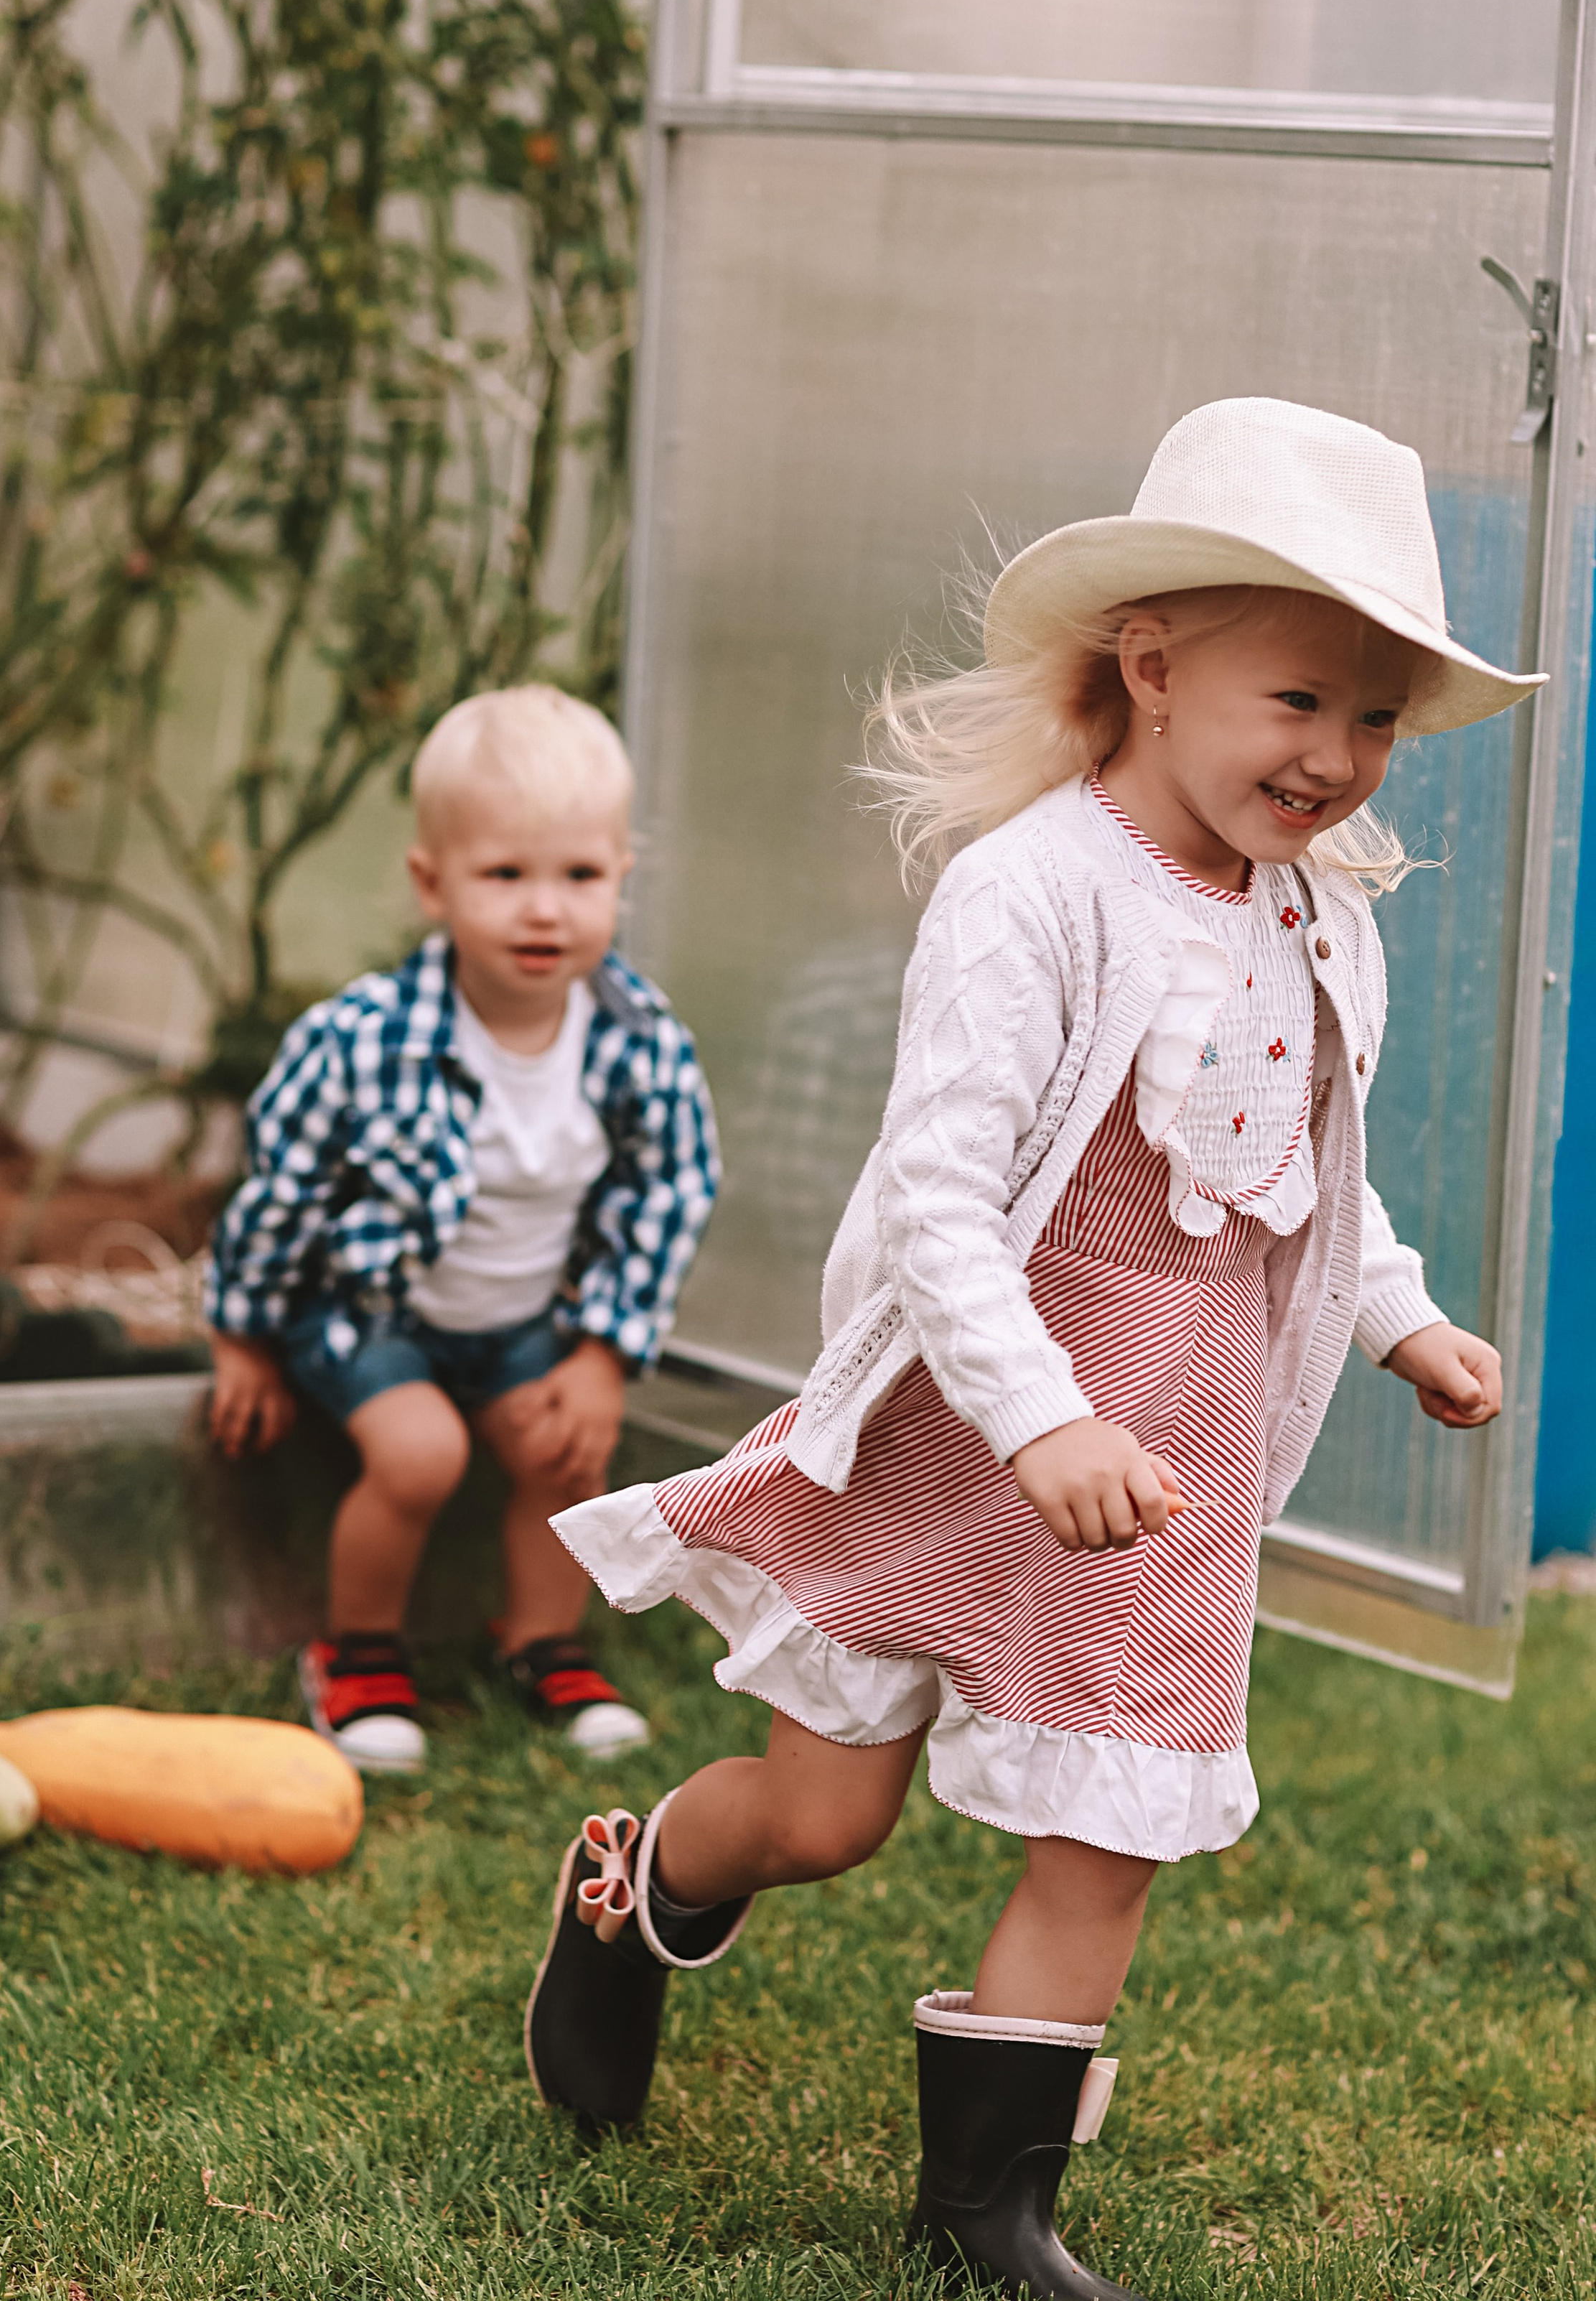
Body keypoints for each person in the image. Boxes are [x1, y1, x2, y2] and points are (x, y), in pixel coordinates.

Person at [522, 401, 1536, 2300]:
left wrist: (1395, 1313)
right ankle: (635, 1883)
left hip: (1168, 1458)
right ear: (1150, 667)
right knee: (825, 1810)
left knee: (1105, 1829)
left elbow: (1293, 1163)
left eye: (1376, 720)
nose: (1336, 758)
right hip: (965, 1419)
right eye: (1296, 700)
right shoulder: (1035, 892)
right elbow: (936, 1201)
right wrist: (1038, 1416)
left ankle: (987, 2210)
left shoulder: (1320, 918)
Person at [202, 685, 720, 1778]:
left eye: (579, 876)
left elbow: (669, 1189)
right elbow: (281, 1191)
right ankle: (357, 1654)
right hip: (372, 1311)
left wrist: (602, 1352)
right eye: (505, 875)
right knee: (422, 1452)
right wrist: (243, 1336)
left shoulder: (637, 1041)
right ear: (432, 884)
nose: (545, 911)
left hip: (521, 1321)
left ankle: (540, 1642)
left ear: (621, 875)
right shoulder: (362, 1039)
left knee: (564, 1450)